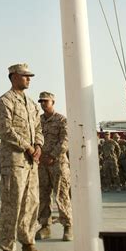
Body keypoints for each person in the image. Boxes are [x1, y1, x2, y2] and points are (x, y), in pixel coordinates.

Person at [0, 64, 55, 251]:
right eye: (25, 76)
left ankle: (28, 248)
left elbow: (38, 129)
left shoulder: (31, 105)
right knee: (13, 206)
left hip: (31, 163)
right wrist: (28, 146)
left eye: (30, 76)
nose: (29, 79)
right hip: (14, 161)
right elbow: (5, 130)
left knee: (32, 204)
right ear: (13, 77)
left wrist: (38, 146)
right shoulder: (5, 101)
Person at [35, 92, 73, 241]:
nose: (43, 104)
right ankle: (45, 226)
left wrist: (52, 156)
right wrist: (40, 156)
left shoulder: (62, 120)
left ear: (53, 102)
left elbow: (66, 140)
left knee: (61, 195)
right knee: (43, 195)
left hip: (58, 163)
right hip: (42, 164)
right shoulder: (38, 121)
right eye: (41, 102)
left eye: (46, 101)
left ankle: (68, 225)